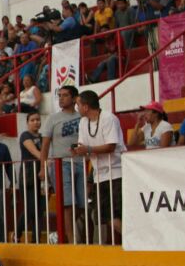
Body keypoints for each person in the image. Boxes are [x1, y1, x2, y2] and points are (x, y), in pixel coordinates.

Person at [71, 90, 124, 244]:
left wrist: (87, 150)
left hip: (117, 172)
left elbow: (110, 147)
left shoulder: (109, 118)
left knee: (115, 216)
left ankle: (133, 241)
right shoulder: (83, 122)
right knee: (104, 216)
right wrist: (78, 151)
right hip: (98, 175)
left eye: (78, 105)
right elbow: (85, 148)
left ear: (86, 106)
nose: (77, 108)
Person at [39, 85, 84, 244]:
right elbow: (45, 145)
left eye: (65, 95)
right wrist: (43, 167)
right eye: (60, 95)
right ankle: (71, 240)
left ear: (74, 98)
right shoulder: (53, 118)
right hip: (60, 163)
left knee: (82, 204)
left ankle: (61, 232)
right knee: (67, 203)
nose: (61, 98)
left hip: (81, 162)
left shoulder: (82, 117)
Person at [16, 113, 45, 243]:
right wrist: (47, 161)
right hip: (28, 174)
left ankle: (36, 239)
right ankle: (17, 234)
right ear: (27, 122)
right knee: (30, 208)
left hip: (41, 173)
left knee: (39, 210)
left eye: (38, 120)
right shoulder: (25, 135)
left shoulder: (43, 137)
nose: (36, 122)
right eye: (32, 120)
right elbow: (35, 152)